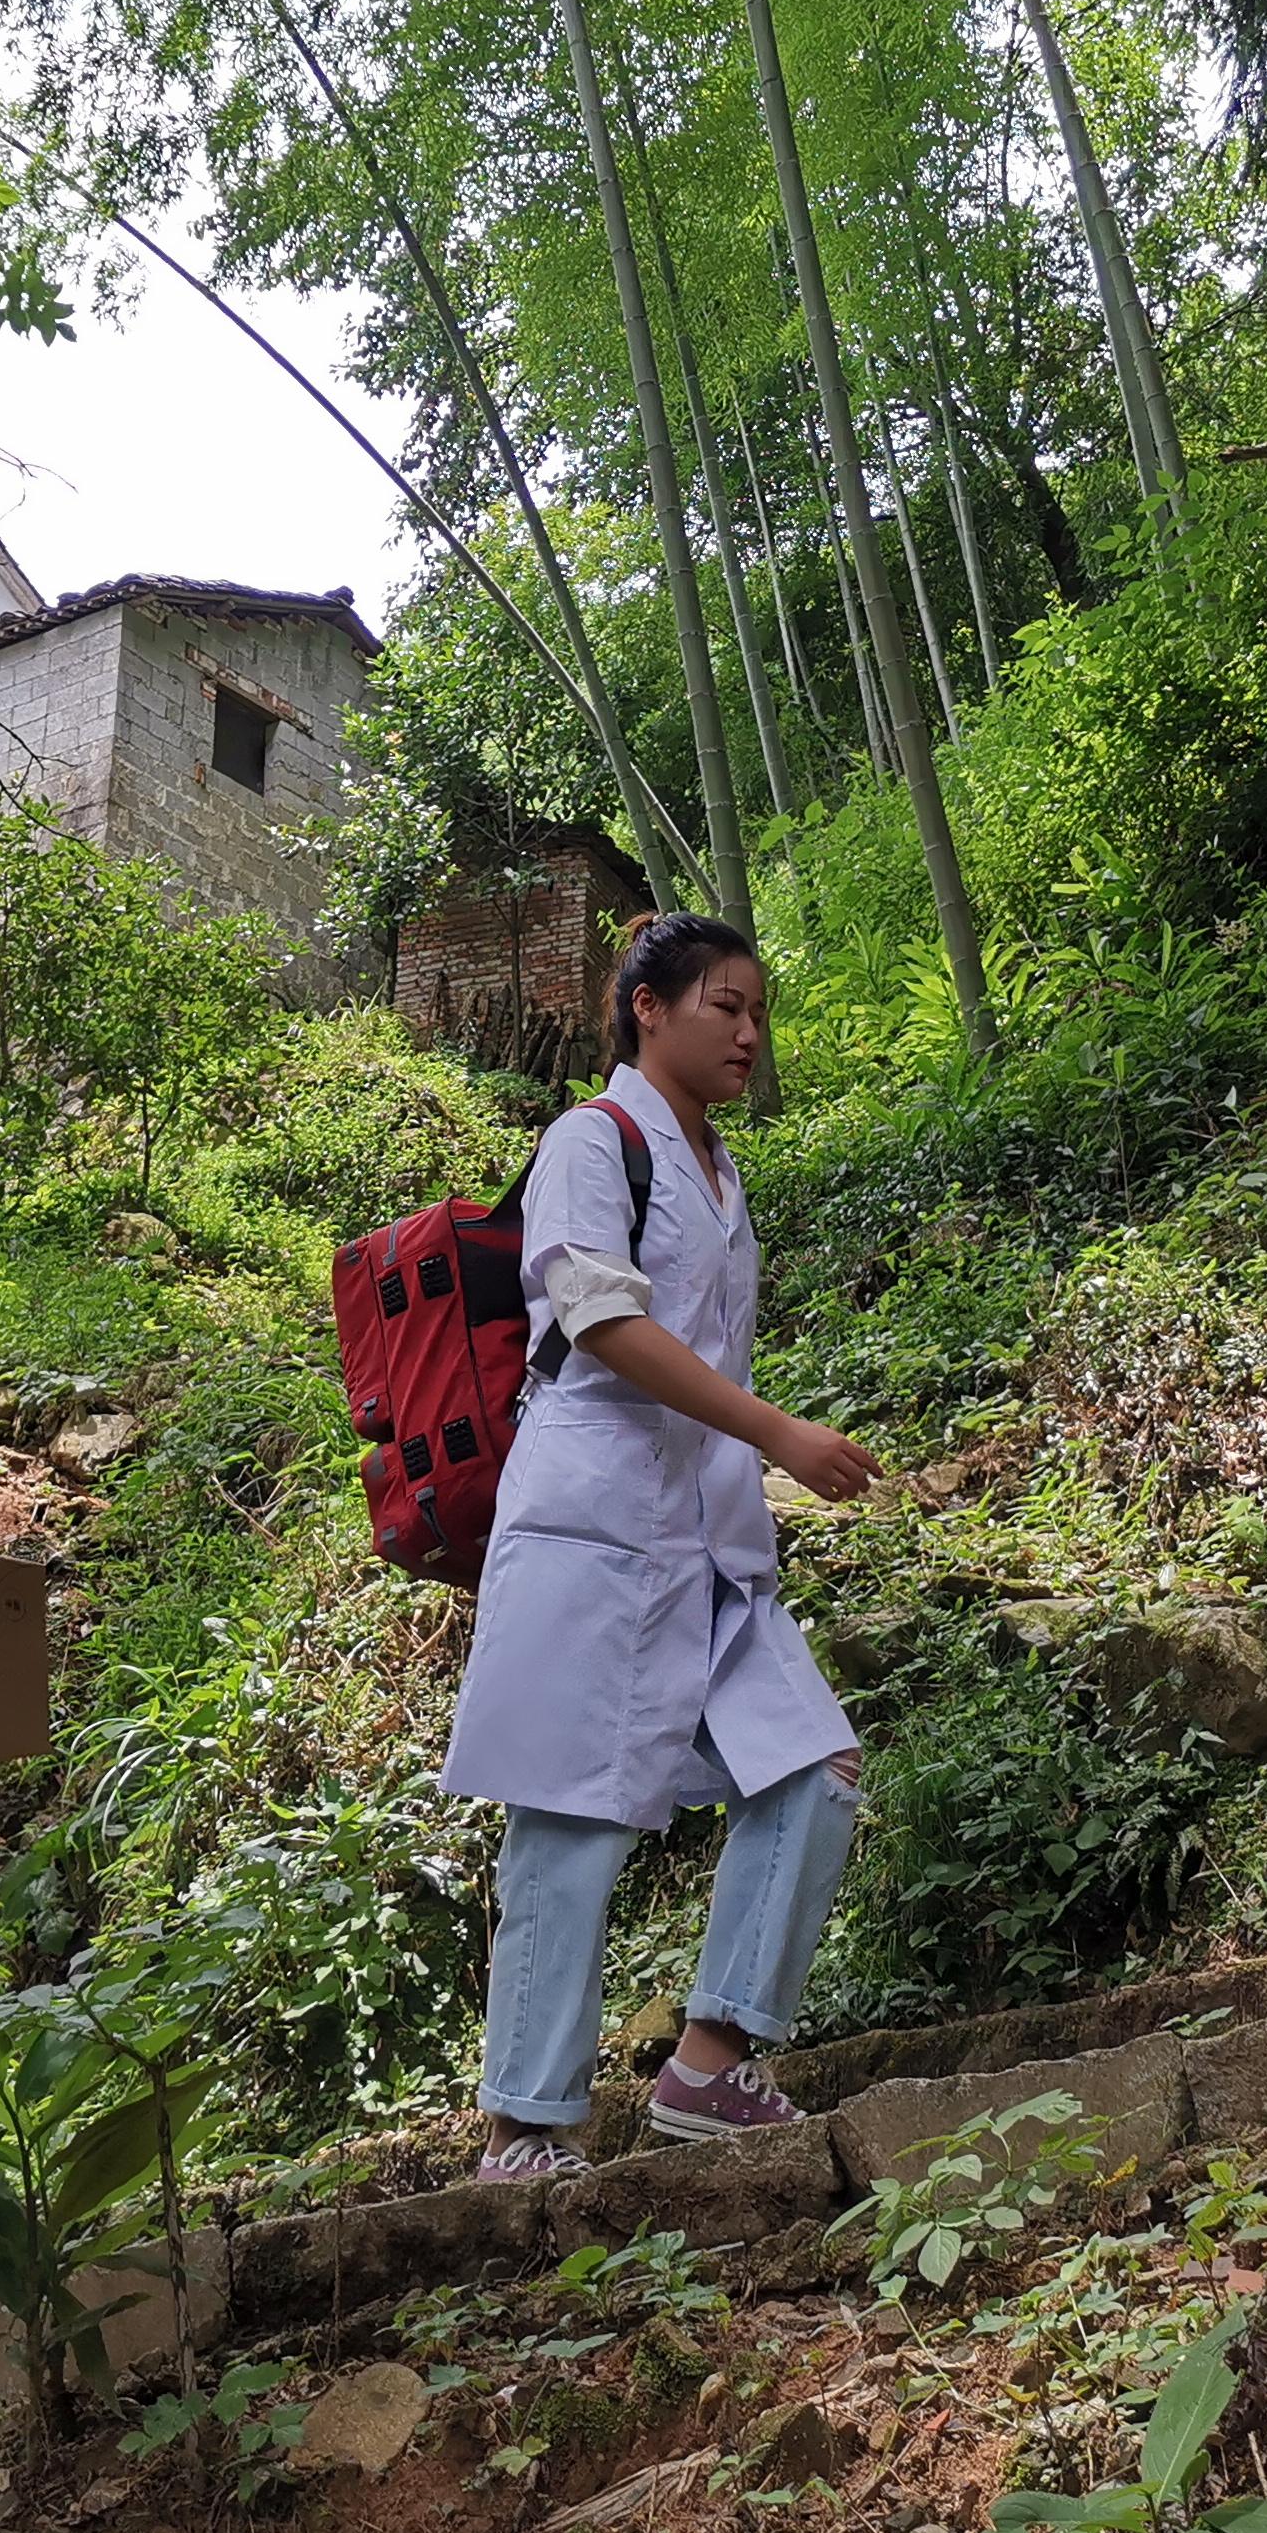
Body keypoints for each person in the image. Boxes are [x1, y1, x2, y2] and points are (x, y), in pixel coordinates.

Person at [441, 914, 886, 2180]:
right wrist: (778, 1434)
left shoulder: (721, 1173)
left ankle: (707, 2065)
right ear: (646, 1005)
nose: (748, 1032)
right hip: (595, 1518)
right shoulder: (596, 1139)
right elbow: (593, 1319)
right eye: (723, 1007)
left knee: (814, 1771)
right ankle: (526, 2130)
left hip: (706, 1536)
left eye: (757, 1012)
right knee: (572, 1819)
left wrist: (757, 1451)